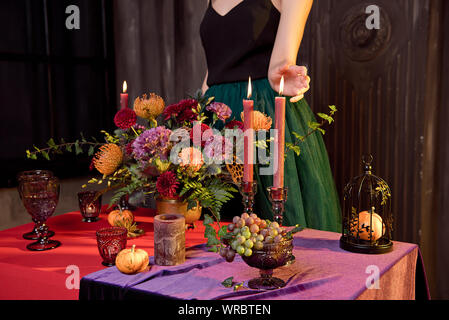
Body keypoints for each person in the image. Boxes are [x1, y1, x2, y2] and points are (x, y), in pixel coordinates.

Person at [200, 0, 341, 232]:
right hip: (216, 118)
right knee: (216, 224)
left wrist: (284, 75)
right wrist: (194, 122)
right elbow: (213, 73)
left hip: (262, 114)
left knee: (271, 230)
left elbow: (281, 64)